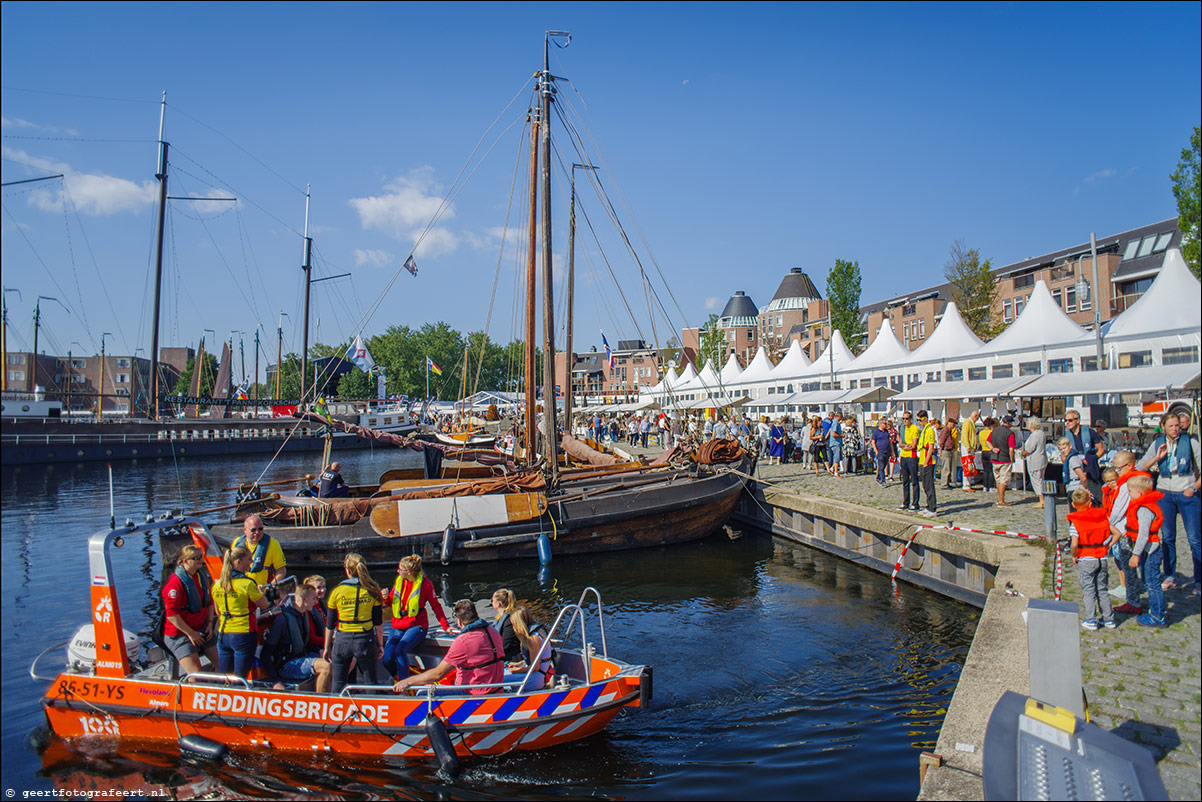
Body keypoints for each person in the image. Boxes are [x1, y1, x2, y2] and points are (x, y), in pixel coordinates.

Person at [1136, 412, 1200, 595]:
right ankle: (1170, 574)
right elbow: (1141, 466)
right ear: (1163, 426)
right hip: (1165, 492)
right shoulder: (1158, 443)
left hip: (1186, 491)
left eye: (1177, 426)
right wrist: (1157, 458)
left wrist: (1193, 489)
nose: (1175, 429)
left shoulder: (1191, 443)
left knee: (1194, 538)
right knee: (1168, 536)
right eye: (1171, 426)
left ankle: (1199, 579)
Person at [393, 599, 505, 696]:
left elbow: (438, 674)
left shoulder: (463, 641)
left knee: (422, 692)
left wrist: (407, 681)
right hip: (496, 689)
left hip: (473, 694)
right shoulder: (493, 632)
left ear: (459, 622)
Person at [382, 555, 451, 681]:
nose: (398, 571)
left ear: (408, 572)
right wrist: (385, 598)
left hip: (416, 625)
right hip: (398, 624)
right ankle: (396, 677)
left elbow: (436, 606)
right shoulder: (399, 582)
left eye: (400, 569)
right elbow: (391, 602)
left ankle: (405, 685)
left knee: (400, 650)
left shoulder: (426, 585)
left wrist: (445, 626)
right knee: (386, 659)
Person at [324, 553, 385, 694]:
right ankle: (372, 711)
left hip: (342, 640)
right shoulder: (372, 591)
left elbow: (330, 624)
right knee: (370, 684)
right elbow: (378, 623)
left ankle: (337, 712)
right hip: (365, 640)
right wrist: (380, 645)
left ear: (347, 570)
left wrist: (327, 647)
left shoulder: (336, 592)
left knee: (338, 683)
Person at [211, 545, 270, 678]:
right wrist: (260, 593)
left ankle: (222, 696)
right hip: (243, 633)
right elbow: (264, 605)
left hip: (223, 633)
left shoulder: (218, 585)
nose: (251, 563)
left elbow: (218, 611)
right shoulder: (247, 584)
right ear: (238, 562)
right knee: (240, 677)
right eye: (249, 560)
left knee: (224, 677)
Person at [261, 584, 333, 691]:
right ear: (304, 599)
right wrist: (276, 681)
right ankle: (322, 700)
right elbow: (265, 654)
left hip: (302, 656)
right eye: (313, 598)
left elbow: (305, 644)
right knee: (326, 666)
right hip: (287, 665)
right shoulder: (283, 620)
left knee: (336, 660)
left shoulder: (303, 615)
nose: (316, 602)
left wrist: (319, 650)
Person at [162, 545, 218, 675]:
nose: (200, 560)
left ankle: (220, 689)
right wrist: (191, 633)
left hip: (202, 628)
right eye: (196, 558)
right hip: (180, 634)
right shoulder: (175, 584)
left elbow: (209, 602)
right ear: (185, 561)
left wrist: (210, 623)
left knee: (224, 663)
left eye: (201, 557)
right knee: (196, 672)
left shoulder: (200, 577)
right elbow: (171, 614)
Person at [1066, 488, 1117, 630]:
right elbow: (1117, 533)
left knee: (1088, 590)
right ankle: (1109, 619)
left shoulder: (1076, 522)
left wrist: (1073, 555)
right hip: (1101, 557)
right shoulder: (1101, 517)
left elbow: (1074, 543)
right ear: (1090, 503)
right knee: (1102, 589)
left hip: (1086, 558)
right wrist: (1108, 545)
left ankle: (1091, 620)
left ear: (1074, 505)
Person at [1107, 451, 1149, 615]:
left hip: (1126, 530)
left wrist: (1106, 524)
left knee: (1128, 567)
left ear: (1129, 466)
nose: (1116, 472)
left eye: (1119, 468)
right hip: (1128, 529)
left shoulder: (1127, 484)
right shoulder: (1133, 481)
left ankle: (1133, 601)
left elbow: (1119, 510)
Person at [1125, 475, 1168, 627]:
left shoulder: (1144, 510)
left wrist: (1135, 555)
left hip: (1151, 550)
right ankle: (1155, 612)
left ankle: (1158, 616)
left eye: (1130, 491)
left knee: (1153, 584)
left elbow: (1143, 534)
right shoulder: (1142, 506)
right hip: (1148, 550)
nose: (1128, 494)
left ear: (1140, 493)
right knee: (1149, 581)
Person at [502, 607, 555, 691]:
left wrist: (517, 670)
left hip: (535, 679)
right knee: (503, 673)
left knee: (499, 679)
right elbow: (537, 660)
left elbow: (535, 668)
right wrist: (519, 664)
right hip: (537, 675)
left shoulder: (533, 639)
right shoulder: (538, 632)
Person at [232, 515, 286, 589]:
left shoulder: (273, 544)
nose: (257, 532)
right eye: (253, 530)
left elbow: (281, 570)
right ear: (245, 530)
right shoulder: (236, 543)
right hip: (241, 590)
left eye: (260, 529)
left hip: (262, 591)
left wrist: (271, 587)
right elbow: (230, 568)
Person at [1065, 409, 1104, 500]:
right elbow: (1063, 455)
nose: (1067, 423)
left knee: (1096, 496)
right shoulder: (1066, 435)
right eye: (1066, 420)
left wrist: (1092, 459)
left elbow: (1101, 449)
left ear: (1078, 420)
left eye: (1070, 420)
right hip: (1076, 471)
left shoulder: (1090, 432)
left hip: (1090, 468)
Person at [990, 415, 1018, 507]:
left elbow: (987, 441)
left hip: (995, 458)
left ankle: (999, 499)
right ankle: (1001, 500)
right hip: (1004, 459)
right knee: (1003, 480)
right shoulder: (1010, 433)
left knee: (998, 480)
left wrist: (993, 448)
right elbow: (1011, 449)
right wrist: (1012, 459)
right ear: (1009, 423)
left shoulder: (994, 431)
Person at [1021, 417, 1048, 509]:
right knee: (1040, 479)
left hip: (1036, 460)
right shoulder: (1041, 433)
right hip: (1041, 459)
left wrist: (1024, 453)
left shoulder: (1035, 435)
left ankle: (1042, 500)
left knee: (1037, 480)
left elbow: (1030, 449)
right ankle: (1043, 499)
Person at [915, 410, 938, 517]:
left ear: (925, 419)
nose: (918, 422)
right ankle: (928, 506)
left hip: (927, 462)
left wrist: (925, 462)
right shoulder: (924, 429)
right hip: (922, 460)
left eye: (920, 420)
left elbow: (931, 447)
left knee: (929, 485)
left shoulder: (930, 430)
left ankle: (932, 508)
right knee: (925, 485)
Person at [897, 411, 920, 512]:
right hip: (903, 456)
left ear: (910, 419)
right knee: (905, 480)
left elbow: (914, 445)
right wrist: (906, 446)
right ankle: (905, 502)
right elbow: (900, 444)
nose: (905, 421)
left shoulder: (914, 429)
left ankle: (915, 503)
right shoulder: (902, 428)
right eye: (903, 419)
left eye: (906, 419)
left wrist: (907, 446)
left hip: (911, 456)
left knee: (914, 480)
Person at [490, 588, 522, 661]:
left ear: (499, 604)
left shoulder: (510, 620)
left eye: (492, 601)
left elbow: (505, 644)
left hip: (512, 659)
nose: (491, 603)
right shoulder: (501, 618)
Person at [960, 410, 980, 492]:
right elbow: (965, 435)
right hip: (967, 447)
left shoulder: (971, 423)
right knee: (967, 465)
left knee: (970, 465)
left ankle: (968, 484)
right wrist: (968, 446)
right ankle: (966, 485)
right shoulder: (967, 422)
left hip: (970, 447)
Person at [871, 418, 891, 487]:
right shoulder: (876, 432)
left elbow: (889, 440)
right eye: (884, 423)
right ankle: (883, 480)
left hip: (887, 451)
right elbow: (873, 442)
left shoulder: (886, 431)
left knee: (884, 465)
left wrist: (892, 451)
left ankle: (878, 477)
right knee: (881, 466)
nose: (886, 425)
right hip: (880, 451)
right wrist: (876, 451)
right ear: (880, 424)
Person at [939, 416, 958, 489]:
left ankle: (947, 482)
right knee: (946, 468)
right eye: (953, 424)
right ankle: (944, 484)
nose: (954, 425)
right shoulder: (945, 430)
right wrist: (940, 449)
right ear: (950, 423)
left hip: (949, 450)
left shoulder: (949, 430)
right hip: (946, 450)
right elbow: (942, 440)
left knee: (948, 468)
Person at [826, 412, 844, 477]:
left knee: (838, 457)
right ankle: (836, 472)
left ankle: (832, 468)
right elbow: (833, 434)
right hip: (835, 442)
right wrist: (841, 435)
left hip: (837, 442)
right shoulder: (835, 423)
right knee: (837, 457)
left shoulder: (836, 423)